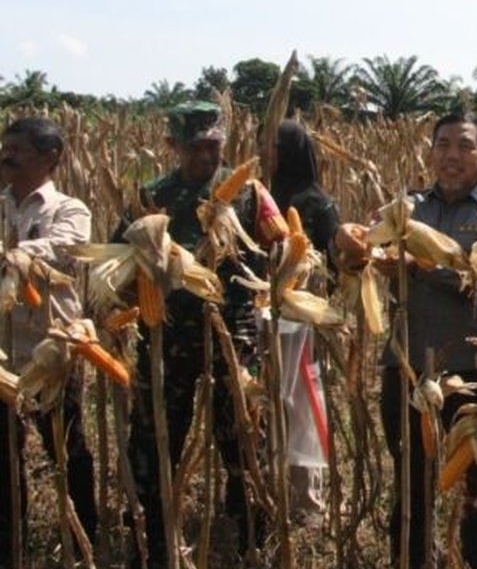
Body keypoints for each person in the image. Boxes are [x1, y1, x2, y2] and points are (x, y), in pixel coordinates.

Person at [123, 101, 272, 568]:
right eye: (196, 147)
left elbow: (277, 244)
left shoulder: (247, 192)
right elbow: (123, 260)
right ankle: (150, 539)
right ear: (172, 146)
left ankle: (252, 534)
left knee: (243, 436)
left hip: (233, 329)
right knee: (155, 438)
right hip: (165, 335)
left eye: (214, 146)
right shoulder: (152, 196)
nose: (207, 156)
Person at [361, 112, 477, 569]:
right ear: (430, 152)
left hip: (474, 365)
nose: (452, 156)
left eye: (465, 146)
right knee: (411, 479)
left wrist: (416, 263)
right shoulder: (405, 207)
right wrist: (358, 253)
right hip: (407, 363)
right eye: (443, 145)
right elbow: (369, 251)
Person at [0, 117, 96, 567]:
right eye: (6, 147)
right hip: (3, 351)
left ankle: (83, 540)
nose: (8, 155)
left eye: (17, 149)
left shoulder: (68, 208)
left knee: (67, 446)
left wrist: (16, 255)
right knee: (4, 452)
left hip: (52, 346)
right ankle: (9, 541)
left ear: (50, 157)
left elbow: (68, 248)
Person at [267, 119, 338, 522]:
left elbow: (333, 264)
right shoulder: (259, 196)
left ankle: (306, 500)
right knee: (265, 405)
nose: (266, 154)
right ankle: (266, 493)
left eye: (273, 147)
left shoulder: (316, 203)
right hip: (261, 321)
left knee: (303, 410)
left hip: (302, 323)